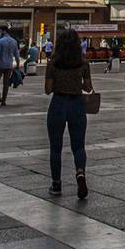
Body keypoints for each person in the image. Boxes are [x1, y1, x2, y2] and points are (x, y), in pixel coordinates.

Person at [45, 27, 94, 198]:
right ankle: (80, 173)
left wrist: (61, 83)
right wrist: (76, 83)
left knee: (55, 148)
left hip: (58, 103)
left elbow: (47, 89)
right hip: (77, 104)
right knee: (79, 146)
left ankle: (56, 184)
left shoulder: (52, 64)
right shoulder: (83, 63)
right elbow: (88, 88)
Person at [0, 28, 18, 106]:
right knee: (6, 83)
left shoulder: (0, 41)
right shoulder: (14, 41)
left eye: (0, 31)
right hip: (9, 65)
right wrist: (18, 64)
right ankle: (4, 100)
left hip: (1, 64)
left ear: (4, 31)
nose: (0, 33)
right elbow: (16, 54)